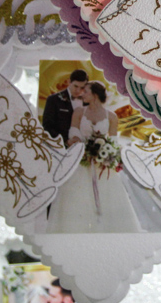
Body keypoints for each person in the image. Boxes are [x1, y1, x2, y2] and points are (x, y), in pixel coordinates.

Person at [46, 82, 143, 234]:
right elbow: (73, 135)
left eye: (86, 92)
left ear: (95, 95)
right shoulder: (79, 112)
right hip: (81, 162)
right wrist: (81, 145)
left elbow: (113, 142)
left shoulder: (111, 117)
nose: (82, 94)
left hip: (101, 164)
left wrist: (106, 152)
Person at [41, 69, 88, 146]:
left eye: (82, 88)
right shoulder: (53, 99)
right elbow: (47, 126)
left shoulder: (88, 101)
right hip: (60, 147)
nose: (78, 90)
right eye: (75, 86)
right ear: (69, 81)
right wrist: (66, 141)